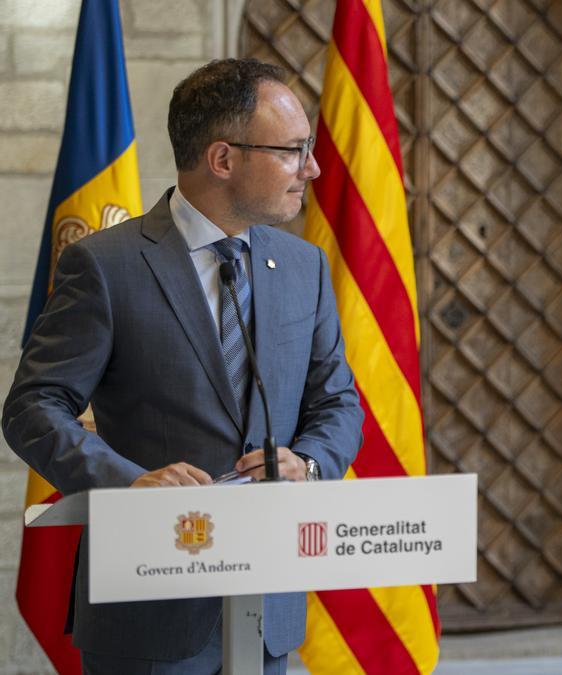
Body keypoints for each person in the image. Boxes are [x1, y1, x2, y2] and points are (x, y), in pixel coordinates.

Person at [3, 58, 363, 674]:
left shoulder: (305, 267)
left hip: (266, 604)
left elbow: (338, 403)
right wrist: (129, 484)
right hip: (149, 610)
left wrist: (308, 462)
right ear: (222, 159)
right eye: (294, 150)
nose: (314, 167)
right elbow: (33, 408)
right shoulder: (105, 266)